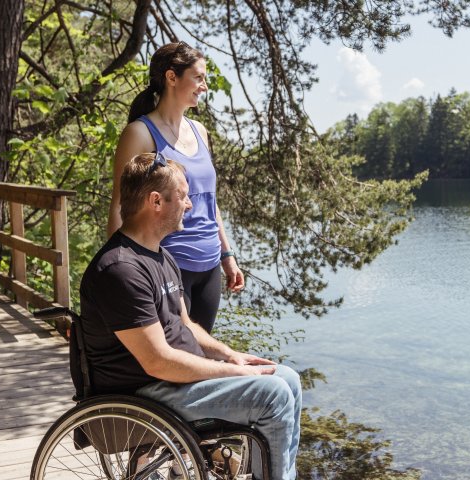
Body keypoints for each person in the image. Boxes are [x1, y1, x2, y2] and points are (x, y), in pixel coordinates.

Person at [82, 152, 301, 479]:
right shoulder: (120, 269)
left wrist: (231, 357)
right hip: (146, 393)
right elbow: (157, 361)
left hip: (171, 382)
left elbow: (184, 324)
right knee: (273, 394)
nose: (189, 205)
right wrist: (231, 375)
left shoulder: (161, 256)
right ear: (155, 201)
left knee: (288, 380)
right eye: (182, 196)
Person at [108, 41, 240, 334]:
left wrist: (226, 255)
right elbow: (120, 204)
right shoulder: (140, 133)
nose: (204, 86)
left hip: (208, 267)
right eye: (198, 77)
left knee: (202, 352)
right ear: (171, 77)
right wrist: (118, 271)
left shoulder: (199, 131)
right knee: (174, 354)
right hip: (166, 264)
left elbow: (209, 200)